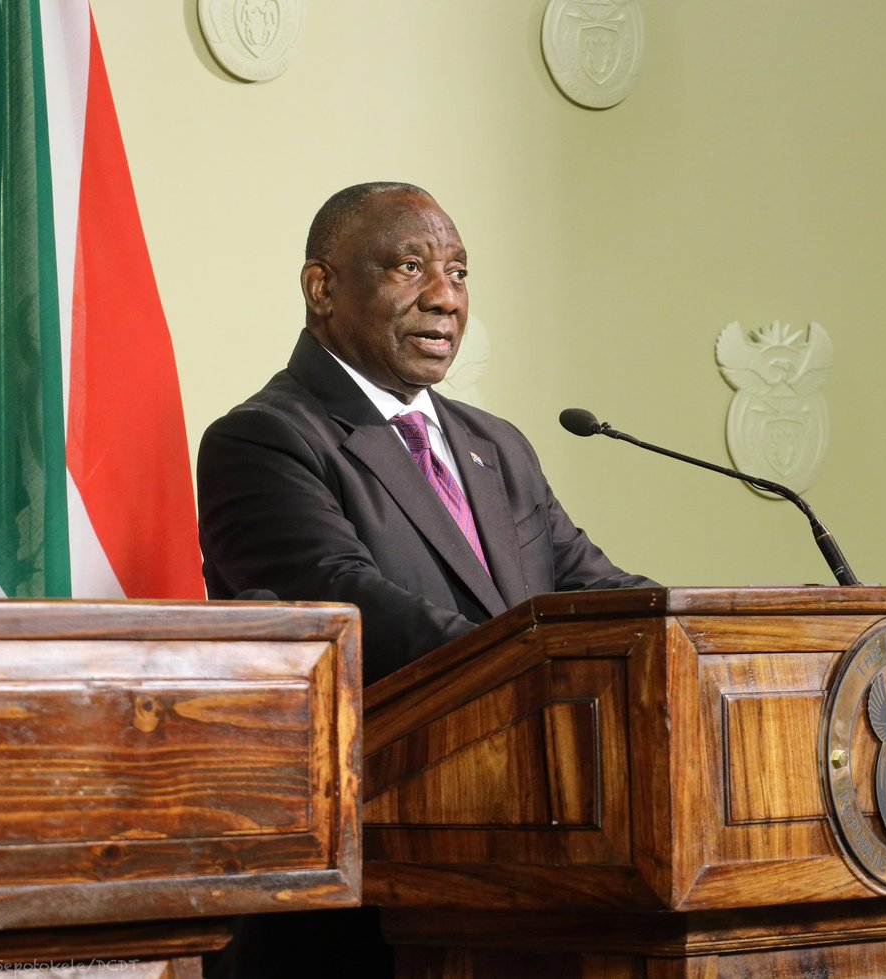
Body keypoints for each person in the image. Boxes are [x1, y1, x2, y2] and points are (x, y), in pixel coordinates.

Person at [197, 181, 656, 686]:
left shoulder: (497, 445)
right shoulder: (262, 441)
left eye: (458, 274)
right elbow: (351, 608)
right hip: (384, 757)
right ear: (321, 289)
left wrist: (698, 635)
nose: (446, 299)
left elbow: (591, 590)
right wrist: (530, 668)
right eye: (410, 268)